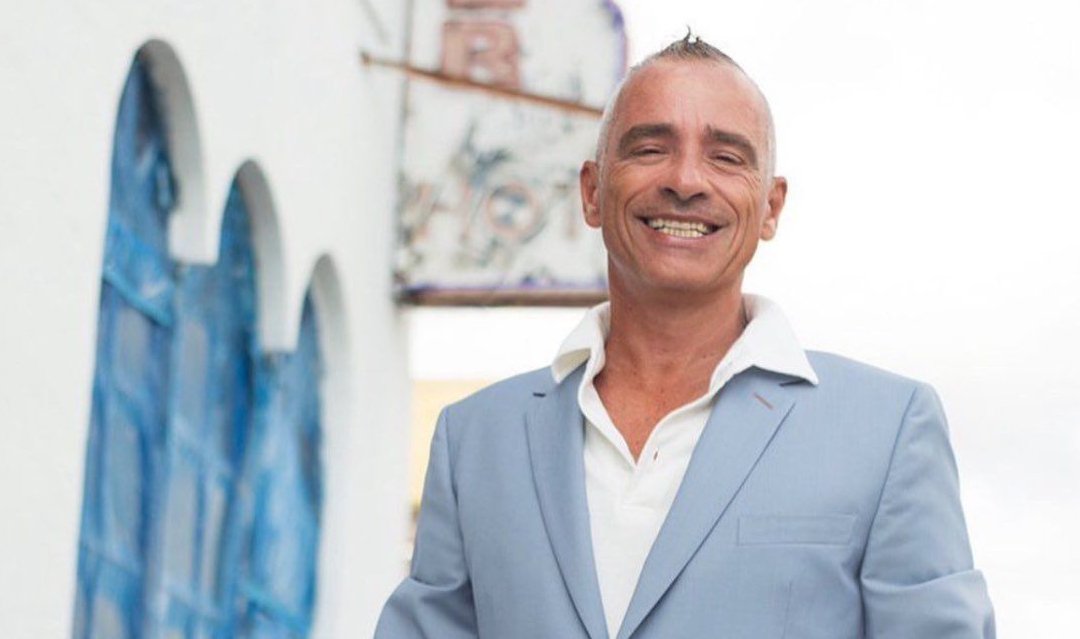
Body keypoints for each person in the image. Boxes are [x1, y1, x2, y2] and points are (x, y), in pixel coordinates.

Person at [376, 34, 995, 638]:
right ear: (592, 192)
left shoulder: (887, 429)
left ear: (771, 207)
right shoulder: (474, 440)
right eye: (650, 149)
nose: (686, 179)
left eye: (726, 157)